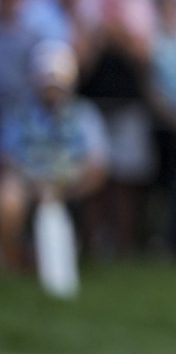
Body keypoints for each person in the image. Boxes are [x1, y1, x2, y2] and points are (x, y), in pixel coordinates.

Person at [0, 42, 108, 276]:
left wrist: (63, 190)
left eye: (57, 81)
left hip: (71, 187)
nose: (52, 87)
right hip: (30, 183)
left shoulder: (84, 115)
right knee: (8, 196)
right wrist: (35, 185)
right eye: (47, 81)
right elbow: (8, 158)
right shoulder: (20, 114)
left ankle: (83, 253)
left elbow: (98, 167)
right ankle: (15, 261)